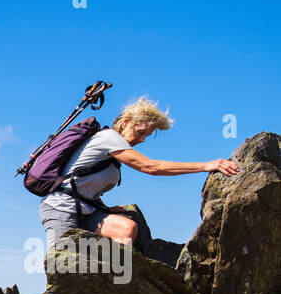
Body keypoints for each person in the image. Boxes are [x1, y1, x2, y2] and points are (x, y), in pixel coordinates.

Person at [39, 96, 240, 252]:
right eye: (141, 132)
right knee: (63, 266)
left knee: (126, 229)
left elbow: (84, 182)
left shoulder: (114, 153)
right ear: (126, 121)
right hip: (60, 208)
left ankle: (119, 285)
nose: (142, 140)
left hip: (86, 211)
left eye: (147, 135)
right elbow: (150, 167)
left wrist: (102, 207)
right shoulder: (108, 138)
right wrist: (206, 166)